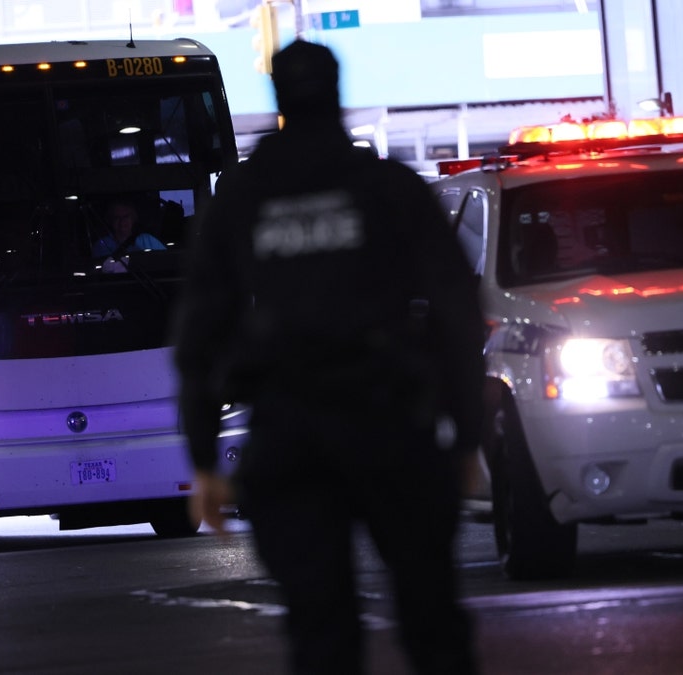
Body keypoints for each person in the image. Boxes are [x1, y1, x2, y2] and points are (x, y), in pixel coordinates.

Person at [172, 40, 485, 675]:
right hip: (392, 422)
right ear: (338, 95)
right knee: (432, 621)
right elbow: (456, 312)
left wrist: (205, 459)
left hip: (290, 432)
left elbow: (200, 331)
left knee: (320, 631)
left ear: (278, 101)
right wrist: (466, 437)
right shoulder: (388, 188)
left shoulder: (242, 199)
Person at [92, 200, 166, 257]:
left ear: (133, 218)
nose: (122, 221)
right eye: (117, 218)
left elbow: (165, 258)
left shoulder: (147, 240)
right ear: (110, 220)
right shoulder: (103, 245)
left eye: (126, 216)